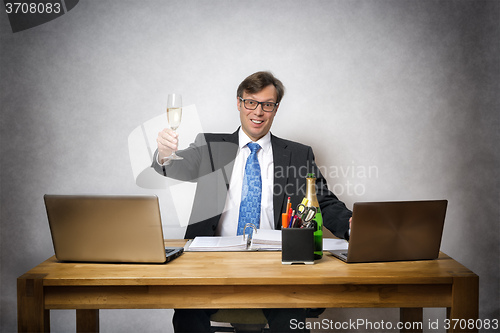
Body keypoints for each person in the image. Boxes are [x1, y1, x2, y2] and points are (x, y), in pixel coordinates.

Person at [153, 71, 352, 332]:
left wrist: (351, 225)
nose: (258, 111)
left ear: (275, 108)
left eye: (267, 104)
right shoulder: (211, 146)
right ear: (239, 103)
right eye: (251, 102)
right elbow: (174, 168)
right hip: (212, 260)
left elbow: (323, 201)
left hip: (277, 262)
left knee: (290, 316)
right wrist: (165, 155)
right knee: (188, 311)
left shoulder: (297, 154)